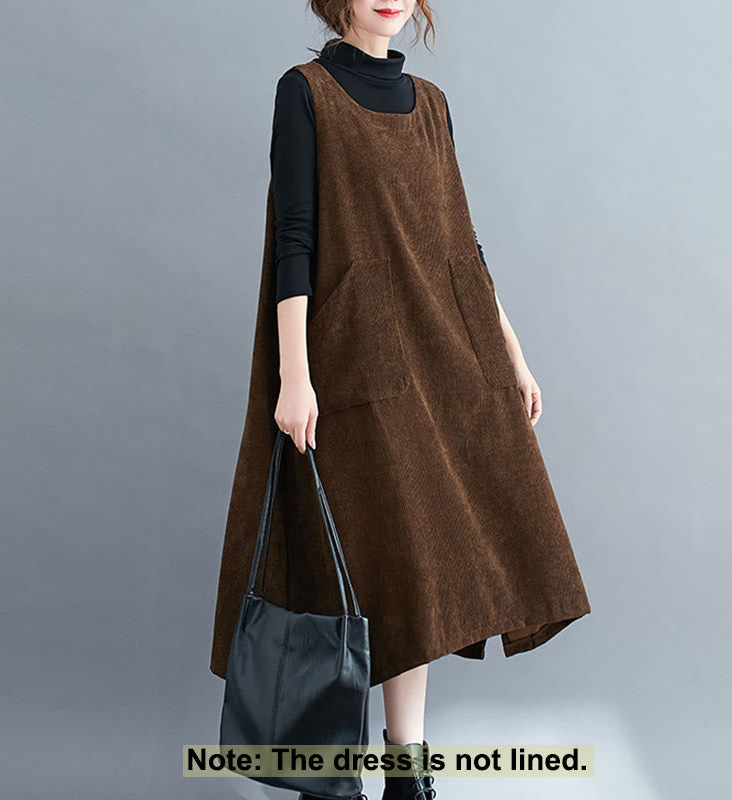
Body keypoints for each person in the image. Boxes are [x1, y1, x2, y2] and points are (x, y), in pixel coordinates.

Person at [211, 3, 592, 799]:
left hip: (437, 354)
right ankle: (333, 770)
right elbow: (294, 239)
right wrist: (294, 375)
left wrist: (512, 352)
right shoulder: (304, 91)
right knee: (369, 562)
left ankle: (406, 771)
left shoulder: (433, 105)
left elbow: (460, 240)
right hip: (351, 365)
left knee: (414, 569)